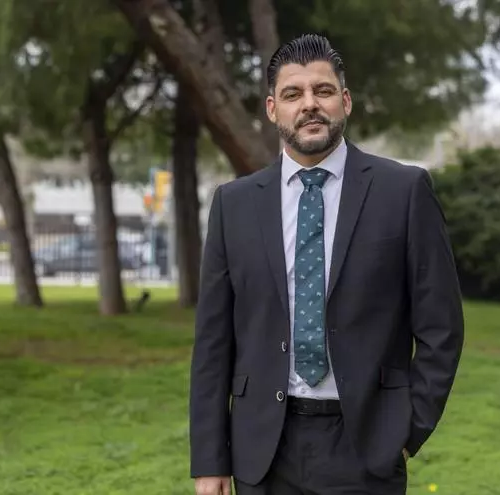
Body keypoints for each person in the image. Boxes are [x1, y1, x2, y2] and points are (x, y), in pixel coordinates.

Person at [189, 33, 465, 495]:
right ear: (272, 109)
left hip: (365, 447)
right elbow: (213, 344)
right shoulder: (233, 204)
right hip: (262, 451)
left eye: (323, 90)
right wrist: (209, 461)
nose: (310, 104)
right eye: (292, 94)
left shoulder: (404, 192)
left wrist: (406, 431)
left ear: (346, 101)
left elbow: (442, 327)